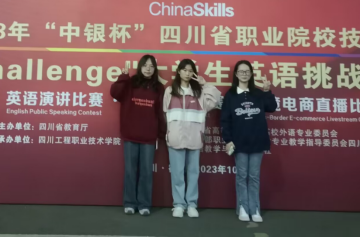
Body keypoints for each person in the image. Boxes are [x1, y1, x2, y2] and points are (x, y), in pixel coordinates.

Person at [221, 60, 277, 223]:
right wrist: (228, 140)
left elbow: (272, 107)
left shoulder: (258, 93)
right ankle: (243, 208)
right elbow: (225, 120)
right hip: (239, 142)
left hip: (257, 141)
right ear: (236, 74)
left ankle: (255, 208)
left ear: (251, 74)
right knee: (241, 176)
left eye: (247, 71)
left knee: (254, 176)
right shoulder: (231, 95)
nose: (244, 74)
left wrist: (267, 91)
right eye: (241, 71)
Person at [163, 59, 221, 218]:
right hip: (175, 138)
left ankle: (192, 204)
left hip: (195, 138)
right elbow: (165, 113)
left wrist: (205, 84)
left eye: (190, 71)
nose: (187, 73)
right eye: (185, 70)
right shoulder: (169, 91)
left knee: (193, 173)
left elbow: (215, 100)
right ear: (179, 71)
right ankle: (178, 205)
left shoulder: (199, 92)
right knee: (177, 174)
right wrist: (169, 133)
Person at [110, 55, 165, 216]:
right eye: (145, 65)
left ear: (155, 69)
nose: (148, 69)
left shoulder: (158, 87)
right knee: (130, 171)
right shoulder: (130, 82)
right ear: (140, 67)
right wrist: (123, 77)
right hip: (130, 135)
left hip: (149, 137)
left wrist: (161, 132)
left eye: (151, 66)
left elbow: (160, 112)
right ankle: (129, 203)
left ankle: (144, 204)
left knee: (146, 172)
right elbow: (115, 93)